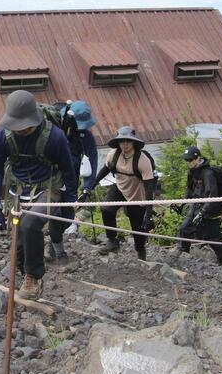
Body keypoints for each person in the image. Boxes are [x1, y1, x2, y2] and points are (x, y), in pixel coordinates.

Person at [0, 90, 77, 299]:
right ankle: (23, 271)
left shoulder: (55, 136)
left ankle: (33, 277)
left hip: (48, 189)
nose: (21, 131)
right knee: (18, 239)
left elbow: (68, 169)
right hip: (18, 191)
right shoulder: (1, 136)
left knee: (30, 225)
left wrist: (70, 205)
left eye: (25, 127)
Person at [93, 127, 155, 260]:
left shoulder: (143, 160)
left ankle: (140, 252)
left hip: (138, 194)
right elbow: (105, 170)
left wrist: (148, 213)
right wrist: (90, 186)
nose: (125, 144)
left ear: (133, 142)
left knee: (137, 228)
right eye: (122, 141)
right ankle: (112, 240)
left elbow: (149, 188)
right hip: (120, 188)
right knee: (106, 209)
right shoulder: (113, 155)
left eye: (128, 141)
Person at [50, 101, 99, 262]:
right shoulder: (54, 128)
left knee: (68, 215)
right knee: (54, 213)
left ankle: (54, 242)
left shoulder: (85, 136)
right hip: (51, 178)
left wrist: (87, 188)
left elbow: (92, 159)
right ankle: (57, 250)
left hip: (71, 180)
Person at [177, 146, 222, 266]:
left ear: (198, 159)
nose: (188, 163)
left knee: (212, 238)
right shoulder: (192, 172)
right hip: (196, 206)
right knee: (184, 229)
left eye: (190, 160)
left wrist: (203, 213)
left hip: (210, 209)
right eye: (186, 160)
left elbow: (212, 195)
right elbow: (190, 190)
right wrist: (182, 204)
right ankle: (183, 253)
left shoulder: (208, 174)